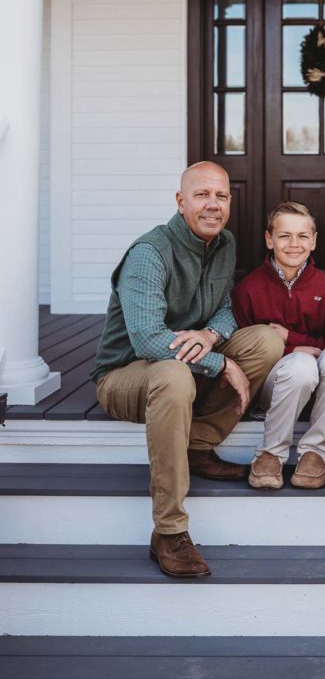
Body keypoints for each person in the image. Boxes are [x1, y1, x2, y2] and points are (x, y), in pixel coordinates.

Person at [91, 161, 282, 578]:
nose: (213, 205)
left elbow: (226, 309)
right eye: (201, 195)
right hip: (127, 374)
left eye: (221, 196)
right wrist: (220, 361)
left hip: (186, 360)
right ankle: (169, 531)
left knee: (268, 340)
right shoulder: (149, 253)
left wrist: (213, 337)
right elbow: (147, 341)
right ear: (181, 202)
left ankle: (196, 446)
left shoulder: (224, 243)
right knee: (175, 374)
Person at [232, 201, 325, 490]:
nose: (293, 244)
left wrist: (292, 339)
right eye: (284, 235)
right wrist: (296, 352)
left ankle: (315, 451)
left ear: (313, 241)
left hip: (323, 389)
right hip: (272, 388)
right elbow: (242, 349)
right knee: (301, 365)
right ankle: (271, 452)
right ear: (269, 239)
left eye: (302, 236)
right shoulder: (248, 290)